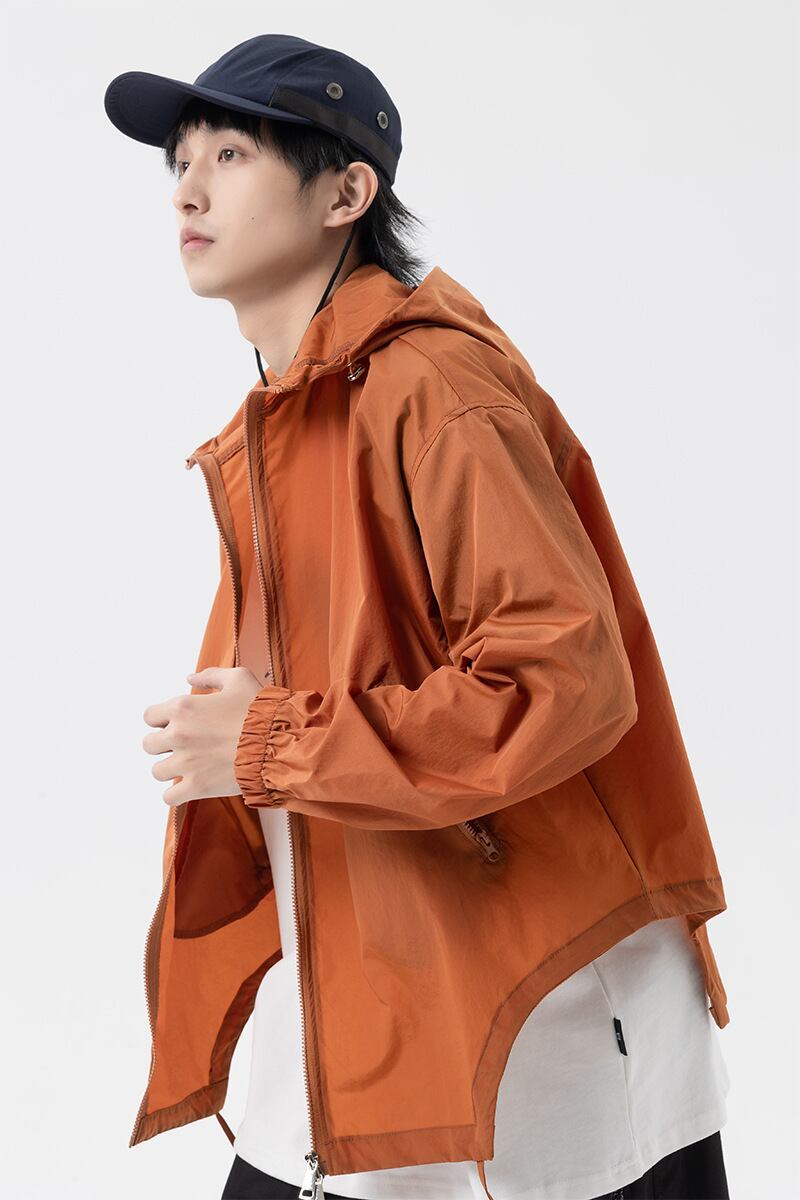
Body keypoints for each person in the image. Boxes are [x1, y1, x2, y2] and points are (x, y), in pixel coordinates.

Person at [104, 33, 732, 1200]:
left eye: (229, 154)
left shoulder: (429, 389)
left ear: (345, 192)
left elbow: (560, 681)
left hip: (533, 1011)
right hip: (362, 978)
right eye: (178, 161)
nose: (186, 190)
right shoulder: (287, 417)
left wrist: (265, 741)